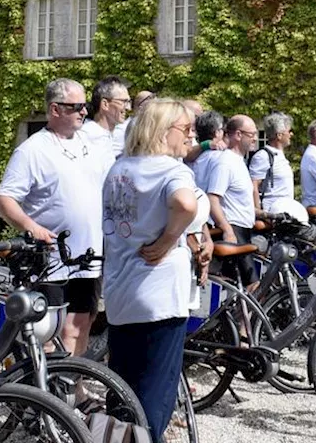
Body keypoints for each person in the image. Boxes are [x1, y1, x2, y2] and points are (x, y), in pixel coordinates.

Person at [102, 98, 209, 443]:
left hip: (121, 290)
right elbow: (185, 203)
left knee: (122, 386)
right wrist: (169, 239)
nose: (191, 136)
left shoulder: (120, 168)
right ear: (164, 131)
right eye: (186, 129)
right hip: (159, 293)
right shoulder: (171, 169)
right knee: (154, 392)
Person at [0, 78, 104, 355]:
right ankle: (45, 392)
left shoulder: (91, 144)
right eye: (76, 106)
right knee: (49, 327)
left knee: (81, 322)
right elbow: (5, 199)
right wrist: (32, 227)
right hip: (51, 257)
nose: (84, 112)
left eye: (86, 106)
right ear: (55, 110)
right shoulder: (33, 150)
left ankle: (72, 386)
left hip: (89, 253)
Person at [198, 114, 259, 287]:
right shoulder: (225, 162)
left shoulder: (239, 161)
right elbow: (212, 198)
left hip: (244, 229)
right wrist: (227, 229)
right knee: (252, 288)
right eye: (251, 134)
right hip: (235, 230)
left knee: (245, 289)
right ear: (238, 135)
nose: (255, 138)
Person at [249, 112, 297, 215]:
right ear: (279, 135)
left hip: (285, 213)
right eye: (289, 131)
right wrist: (259, 213)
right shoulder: (263, 156)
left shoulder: (280, 155)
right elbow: (253, 187)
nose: (291, 134)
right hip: (271, 215)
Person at [81, 75, 131, 173]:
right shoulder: (86, 137)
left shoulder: (111, 135)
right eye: (123, 102)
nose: (128, 108)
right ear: (105, 104)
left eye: (128, 102)